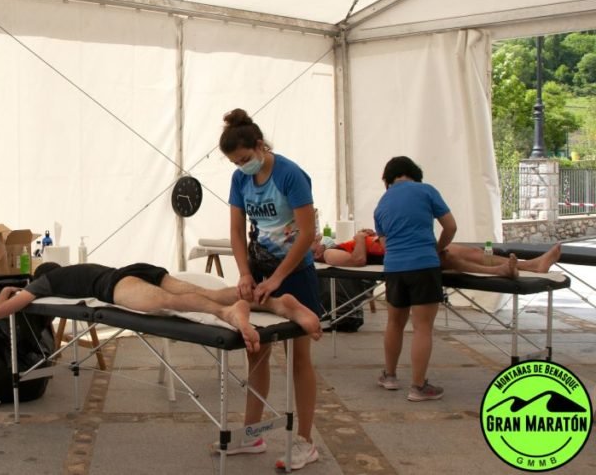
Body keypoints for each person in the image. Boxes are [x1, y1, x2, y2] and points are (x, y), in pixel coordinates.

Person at [219, 108, 322, 470]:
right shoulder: (240, 179)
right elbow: (236, 231)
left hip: (294, 273)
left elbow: (307, 233)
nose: (241, 166)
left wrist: (278, 278)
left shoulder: (290, 174)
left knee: (299, 358)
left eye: (244, 158)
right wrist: (244, 273)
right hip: (260, 269)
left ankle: (306, 442)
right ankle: (252, 435)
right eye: (235, 162)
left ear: (260, 145)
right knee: (256, 353)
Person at [0, 262, 323, 353]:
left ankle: (229, 314)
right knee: (205, 291)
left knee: (169, 303)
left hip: (116, 286)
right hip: (138, 268)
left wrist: (6, 292)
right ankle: (277, 304)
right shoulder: (70, 270)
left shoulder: (43, 284)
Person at [373, 156, 452, 402]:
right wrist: (437, 249)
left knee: (394, 323)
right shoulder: (426, 191)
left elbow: (384, 243)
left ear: (388, 179)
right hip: (423, 264)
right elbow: (450, 226)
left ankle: (389, 376)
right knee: (422, 327)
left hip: (394, 268)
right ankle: (418, 387)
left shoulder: (382, 202)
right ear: (414, 173)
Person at [314, 230, 562, 276]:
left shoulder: (335, 244)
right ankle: (504, 269)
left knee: (471, 252)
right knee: (452, 257)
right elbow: (358, 260)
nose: (314, 238)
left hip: (403, 245)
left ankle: (529, 265)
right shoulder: (329, 255)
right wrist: (360, 238)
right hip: (402, 255)